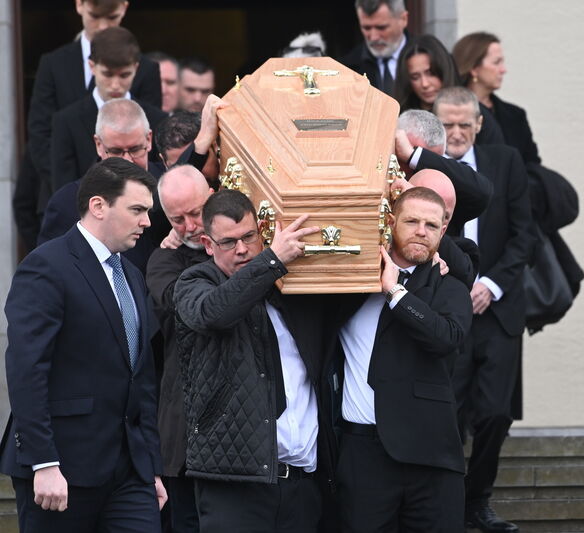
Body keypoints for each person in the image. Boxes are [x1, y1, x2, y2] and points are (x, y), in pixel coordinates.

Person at [0, 157, 166, 532]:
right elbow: (27, 369)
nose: (147, 222)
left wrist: (151, 467)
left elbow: (142, 379)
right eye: (137, 209)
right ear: (98, 206)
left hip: (130, 474)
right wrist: (44, 463)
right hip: (62, 471)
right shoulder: (47, 266)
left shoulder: (133, 276)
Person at [173, 190, 338, 532]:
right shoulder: (194, 283)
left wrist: (433, 259)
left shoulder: (290, 286)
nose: (243, 249)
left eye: (249, 237)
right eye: (229, 242)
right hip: (234, 484)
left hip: (301, 483)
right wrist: (273, 259)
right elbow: (215, 313)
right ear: (208, 244)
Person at [335, 186, 472, 532]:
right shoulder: (348, 283)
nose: (421, 231)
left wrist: (395, 292)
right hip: (360, 452)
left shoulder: (450, 287)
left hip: (430, 455)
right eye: (412, 221)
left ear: (443, 232)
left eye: (431, 224)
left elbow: (446, 338)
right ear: (392, 222)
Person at [434, 86, 533, 533]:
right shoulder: (424, 168)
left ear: (478, 124)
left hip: (497, 309)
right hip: (446, 311)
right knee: (447, 412)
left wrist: (490, 285)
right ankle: (448, 504)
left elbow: (524, 235)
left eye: (462, 124)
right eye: (447, 124)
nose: (455, 133)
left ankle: (479, 501)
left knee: (495, 412)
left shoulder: (506, 162)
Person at [27, 0, 161, 199]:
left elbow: (150, 136)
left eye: (124, 75)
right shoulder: (53, 64)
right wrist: (72, 188)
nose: (103, 26)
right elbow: (40, 134)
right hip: (68, 191)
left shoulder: (147, 70)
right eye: (95, 16)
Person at [146, 165, 214, 533]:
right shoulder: (163, 259)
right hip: (184, 430)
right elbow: (192, 308)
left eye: (197, 212)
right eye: (177, 218)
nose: (189, 226)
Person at [39, 99, 164, 272]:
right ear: (99, 145)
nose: (127, 160)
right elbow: (51, 270)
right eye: (116, 151)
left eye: (135, 149)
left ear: (149, 139)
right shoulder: (67, 202)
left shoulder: (170, 186)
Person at [49, 26, 167, 192]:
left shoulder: (157, 119)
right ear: (92, 67)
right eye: (107, 74)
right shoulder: (67, 121)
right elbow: (64, 188)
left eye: (124, 75)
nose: (115, 85)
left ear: (136, 68)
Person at [395, 108, 493, 234]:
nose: (412, 169)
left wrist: (413, 156)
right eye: (402, 157)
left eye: (419, 164)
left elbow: (482, 191)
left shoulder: (442, 193)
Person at [452, 31, 540, 171]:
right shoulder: (449, 111)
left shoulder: (516, 115)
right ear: (474, 69)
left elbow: (532, 164)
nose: (503, 70)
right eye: (496, 62)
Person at [395, 34, 504, 144]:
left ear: (444, 70)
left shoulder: (476, 113)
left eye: (431, 73)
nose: (425, 84)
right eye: (415, 77)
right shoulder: (398, 119)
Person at [340, 0, 410, 96]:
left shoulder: (431, 57)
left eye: (381, 27)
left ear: (403, 19)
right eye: (366, 28)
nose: (374, 37)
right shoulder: (346, 68)